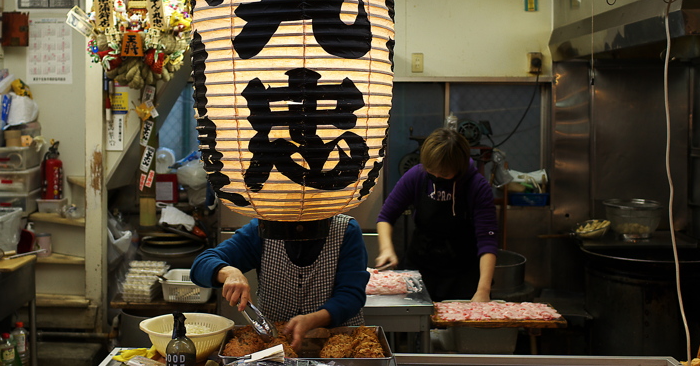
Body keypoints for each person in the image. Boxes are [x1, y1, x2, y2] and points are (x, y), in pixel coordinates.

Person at [190, 213, 369, 350]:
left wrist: (313, 320)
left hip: (340, 346)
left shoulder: (345, 230)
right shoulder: (264, 228)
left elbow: (351, 295)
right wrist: (229, 272)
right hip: (275, 348)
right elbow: (200, 266)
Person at [375, 127, 499, 302]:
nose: (437, 177)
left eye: (444, 174)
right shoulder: (417, 176)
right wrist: (387, 249)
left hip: (462, 272)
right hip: (420, 266)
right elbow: (385, 217)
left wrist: (483, 290)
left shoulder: (477, 186)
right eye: (431, 172)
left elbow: (487, 240)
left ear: (460, 166)